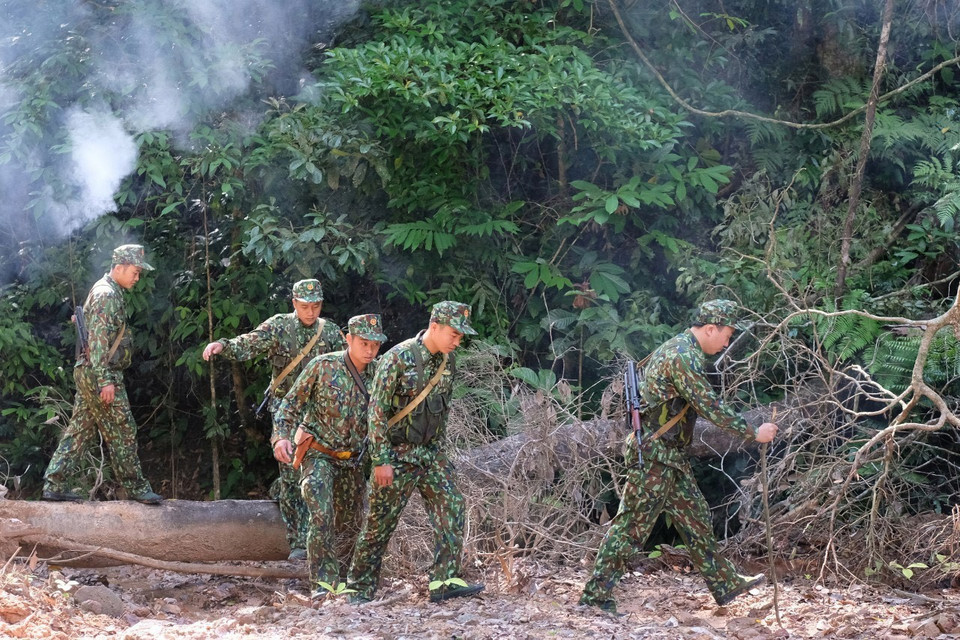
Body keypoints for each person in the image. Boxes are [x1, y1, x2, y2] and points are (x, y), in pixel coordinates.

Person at [579, 299, 779, 614]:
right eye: (727, 335)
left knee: (697, 518)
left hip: (668, 456)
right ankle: (595, 598)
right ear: (710, 328)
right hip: (655, 457)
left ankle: (725, 583)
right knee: (630, 529)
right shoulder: (683, 356)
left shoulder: (681, 349)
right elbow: (709, 405)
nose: (727, 343)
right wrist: (754, 432)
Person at [347, 301, 484, 603]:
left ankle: (444, 583)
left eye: (461, 336)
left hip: (430, 454)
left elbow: (442, 410)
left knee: (452, 507)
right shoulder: (398, 357)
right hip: (396, 455)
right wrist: (381, 460)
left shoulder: (448, 361)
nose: (457, 341)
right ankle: (358, 589)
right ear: (434, 326)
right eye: (453, 334)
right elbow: (376, 412)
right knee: (380, 523)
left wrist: (439, 452)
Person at [202, 279, 345, 559]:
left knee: (321, 470)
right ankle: (298, 542)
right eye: (305, 306)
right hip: (287, 411)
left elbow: (348, 364)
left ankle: (322, 537)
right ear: (294, 304)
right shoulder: (280, 326)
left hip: (320, 413)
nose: (310, 312)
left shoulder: (329, 332)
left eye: (316, 306)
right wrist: (223, 345)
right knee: (291, 471)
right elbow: (249, 343)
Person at [273, 314, 388, 594]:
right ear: (348, 339)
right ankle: (324, 585)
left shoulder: (381, 374)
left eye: (375, 345)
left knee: (350, 522)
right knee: (321, 514)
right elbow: (289, 405)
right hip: (318, 454)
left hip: (352, 460)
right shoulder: (322, 366)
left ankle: (347, 580)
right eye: (364, 343)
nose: (370, 350)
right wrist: (281, 438)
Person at [43, 244, 163, 505]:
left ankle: (55, 483)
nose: (137, 277)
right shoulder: (106, 294)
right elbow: (97, 342)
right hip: (100, 372)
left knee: (80, 430)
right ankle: (136, 487)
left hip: (90, 371)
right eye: (135, 272)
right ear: (119, 267)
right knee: (123, 429)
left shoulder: (107, 290)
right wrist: (105, 380)